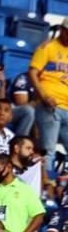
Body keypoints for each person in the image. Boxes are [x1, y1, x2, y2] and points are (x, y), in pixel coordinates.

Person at [29, 16, 68, 175]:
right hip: (49, 106)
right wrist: (44, 96)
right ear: (61, 30)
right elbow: (32, 72)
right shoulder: (47, 47)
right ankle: (46, 184)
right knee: (48, 149)